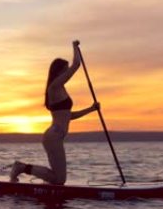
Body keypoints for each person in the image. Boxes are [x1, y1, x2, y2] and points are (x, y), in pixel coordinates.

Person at [10, 40, 99, 185]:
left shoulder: (61, 90)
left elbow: (68, 116)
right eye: (65, 70)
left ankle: (27, 171)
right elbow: (76, 64)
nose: (67, 72)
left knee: (58, 179)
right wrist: (75, 46)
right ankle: (20, 167)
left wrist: (91, 109)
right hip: (53, 138)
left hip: (56, 137)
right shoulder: (55, 87)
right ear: (59, 72)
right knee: (60, 179)